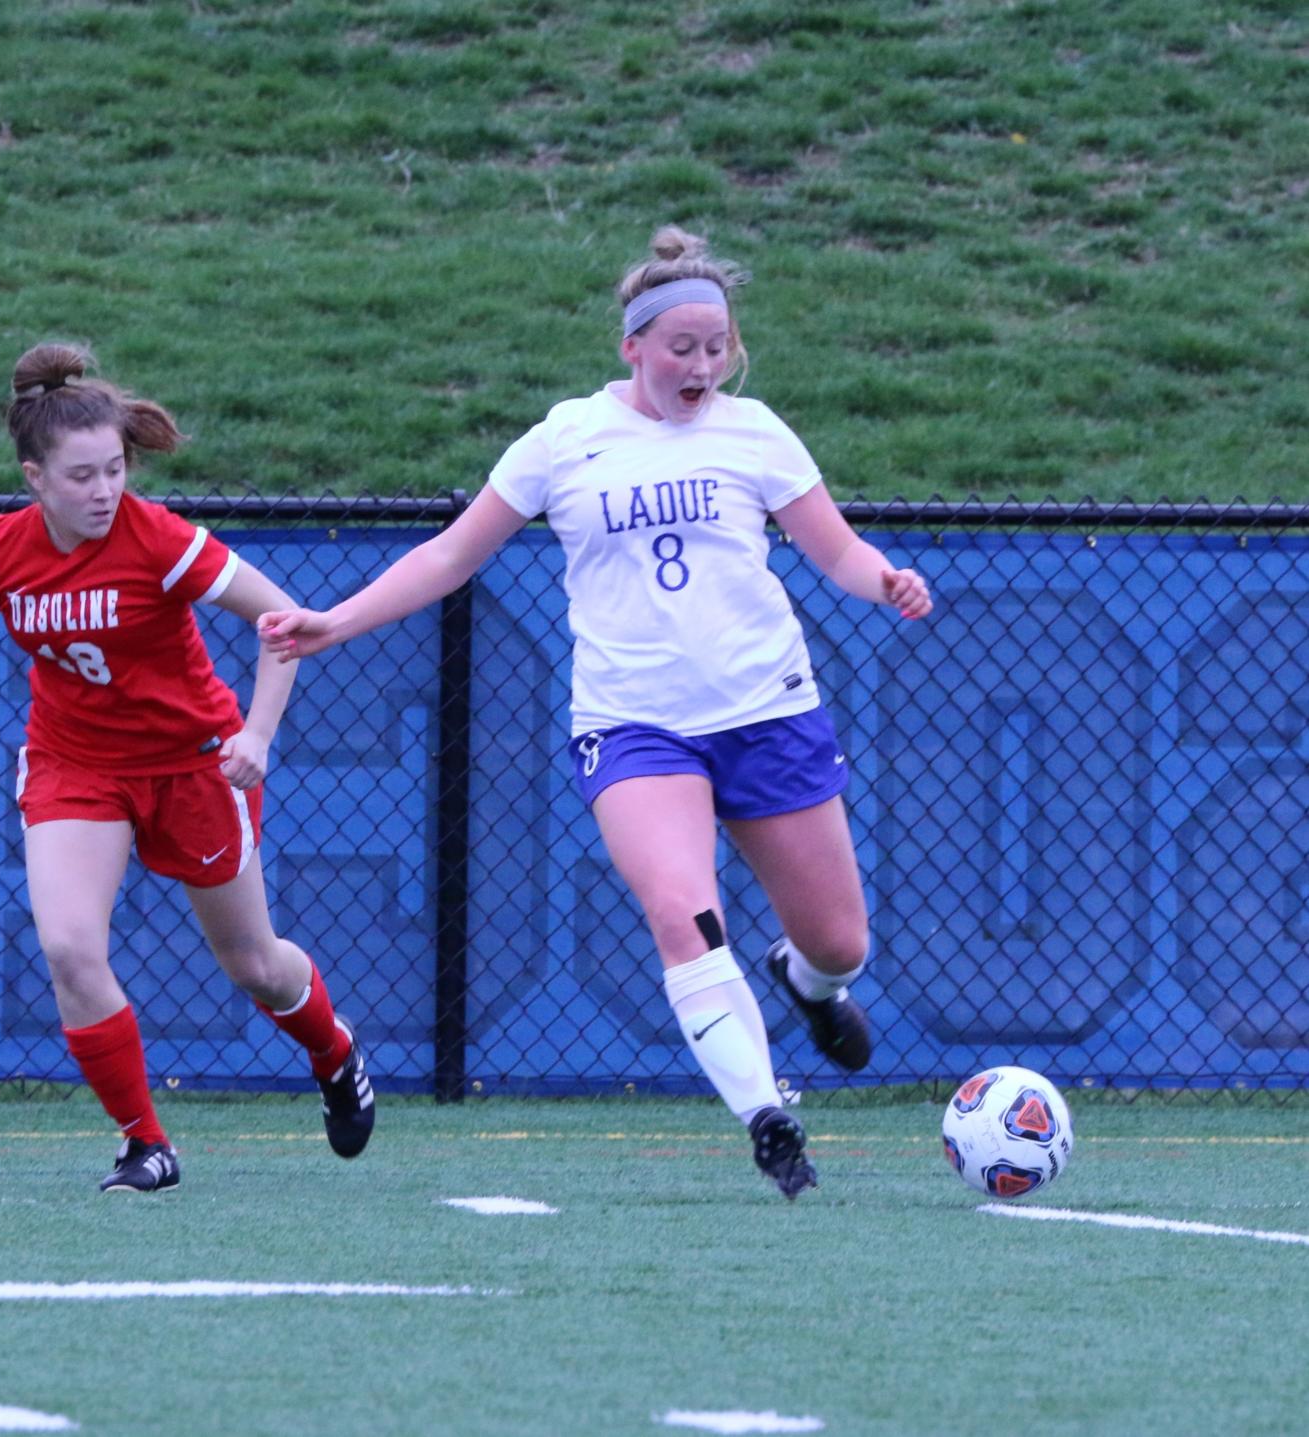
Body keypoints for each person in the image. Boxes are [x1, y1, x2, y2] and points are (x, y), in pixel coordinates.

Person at [260, 226, 932, 1200]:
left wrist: (887, 583)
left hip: (765, 714)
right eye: (680, 349)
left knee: (839, 943)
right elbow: (451, 555)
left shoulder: (755, 431)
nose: (701, 366)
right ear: (632, 348)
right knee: (680, 912)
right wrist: (336, 622)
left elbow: (835, 551)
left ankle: (809, 985)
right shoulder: (565, 438)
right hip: (634, 726)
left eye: (717, 348)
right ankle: (767, 1121)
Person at [0, 343, 375, 1193]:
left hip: (192, 765)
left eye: (114, 468)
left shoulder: (158, 538)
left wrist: (258, 734)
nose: (103, 489)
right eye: (80, 475)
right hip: (75, 765)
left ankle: (334, 1055)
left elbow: (285, 624)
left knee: (255, 966)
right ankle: (143, 1143)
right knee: (69, 946)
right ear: (33, 477)